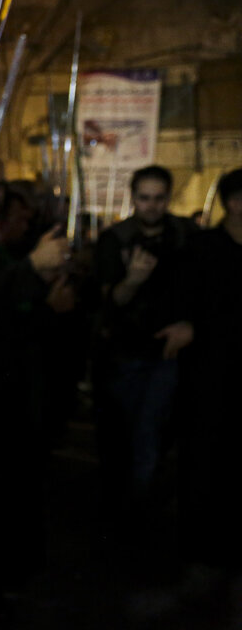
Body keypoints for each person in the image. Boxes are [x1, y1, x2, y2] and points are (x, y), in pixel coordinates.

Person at [94, 165, 194, 524]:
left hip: (168, 351)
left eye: (159, 198)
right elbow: (110, 301)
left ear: (168, 197)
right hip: (126, 350)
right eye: (144, 198)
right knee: (124, 435)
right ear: (133, 198)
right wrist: (133, 280)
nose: (151, 206)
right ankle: (125, 510)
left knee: (151, 431)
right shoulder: (116, 239)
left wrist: (190, 325)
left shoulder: (185, 234)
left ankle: (136, 509)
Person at [180, 167, 242, 568]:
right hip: (212, 373)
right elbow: (186, 303)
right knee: (210, 457)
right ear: (235, 203)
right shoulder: (202, 248)